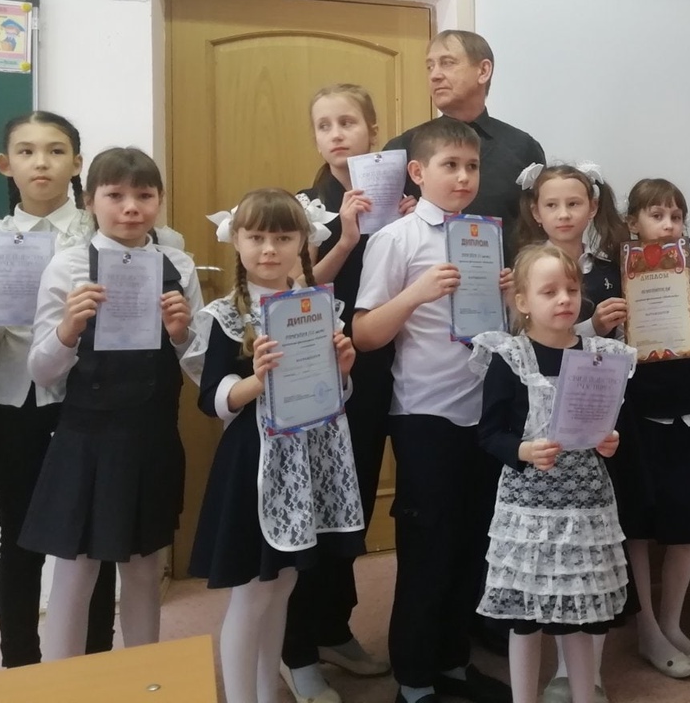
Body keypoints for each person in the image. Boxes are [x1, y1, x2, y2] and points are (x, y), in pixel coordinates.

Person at [20, 147, 202, 660]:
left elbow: (201, 367)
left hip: (152, 435)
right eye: (115, 195)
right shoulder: (69, 265)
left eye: (144, 195)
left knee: (144, 570)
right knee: (75, 574)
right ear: (89, 200)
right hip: (86, 438)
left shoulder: (178, 265)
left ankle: (145, 681)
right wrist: (68, 329)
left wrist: (182, 333)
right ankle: (62, 688)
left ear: (160, 200)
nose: (131, 207)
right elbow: (41, 372)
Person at [352, 117, 511, 703]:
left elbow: (497, 330)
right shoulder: (397, 239)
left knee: (471, 544)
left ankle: (452, 664)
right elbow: (364, 333)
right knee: (428, 550)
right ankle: (414, 681)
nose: (464, 177)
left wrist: (507, 296)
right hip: (425, 414)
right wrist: (417, 293)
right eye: (451, 165)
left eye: (472, 166)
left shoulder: (484, 236)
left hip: (481, 411)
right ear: (418, 172)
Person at [184, 189, 364, 703]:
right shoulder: (226, 315)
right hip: (255, 464)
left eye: (283, 238)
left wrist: (342, 371)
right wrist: (256, 381)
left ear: (302, 242)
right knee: (253, 594)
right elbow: (211, 399)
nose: (269, 249)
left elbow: (332, 393)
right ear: (236, 241)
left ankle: (268, 692)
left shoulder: (319, 308)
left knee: (283, 586)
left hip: (308, 459)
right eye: (257, 237)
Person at [0, 112, 116, 667]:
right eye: (26, 152)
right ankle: (19, 665)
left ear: (77, 163)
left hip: (88, 400)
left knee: (95, 538)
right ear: (7, 165)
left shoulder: (102, 233)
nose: (40, 163)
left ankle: (95, 661)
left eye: (55, 150)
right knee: (19, 537)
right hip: (16, 401)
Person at [471, 244, 633, 703]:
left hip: (585, 503)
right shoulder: (509, 357)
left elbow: (608, 423)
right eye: (549, 292)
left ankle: (585, 694)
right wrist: (522, 449)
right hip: (529, 509)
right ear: (523, 301)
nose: (564, 299)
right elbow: (488, 434)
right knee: (526, 621)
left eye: (572, 289)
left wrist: (609, 441)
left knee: (579, 617)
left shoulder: (601, 354)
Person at [281, 84, 395, 703]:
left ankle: (332, 625)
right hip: (317, 372)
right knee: (316, 509)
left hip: (379, 369)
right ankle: (296, 648)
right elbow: (290, 289)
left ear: (373, 129)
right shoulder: (305, 210)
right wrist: (345, 237)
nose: (336, 134)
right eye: (324, 125)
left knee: (354, 504)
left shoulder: (399, 199)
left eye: (347, 121)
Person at [512, 162, 631, 703]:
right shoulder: (516, 318)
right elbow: (499, 419)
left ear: (592, 207)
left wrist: (608, 437)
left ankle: (585, 678)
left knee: (587, 579)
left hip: (587, 476)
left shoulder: (610, 269)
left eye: (574, 203)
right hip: (534, 486)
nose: (564, 213)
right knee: (533, 593)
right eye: (552, 204)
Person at [617, 179, 690, 681]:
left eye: (676, 217)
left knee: (687, 525)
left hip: (688, 408)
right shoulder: (618, 274)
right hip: (641, 412)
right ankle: (648, 628)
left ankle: (674, 624)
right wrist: (616, 321)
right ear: (633, 222)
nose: (668, 225)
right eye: (656, 215)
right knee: (639, 527)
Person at [385, 30, 544, 257]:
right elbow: (380, 232)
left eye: (447, 63)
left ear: (483, 71)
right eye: (430, 66)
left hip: (508, 278)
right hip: (422, 277)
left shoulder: (522, 148)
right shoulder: (403, 148)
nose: (434, 75)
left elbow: (538, 230)